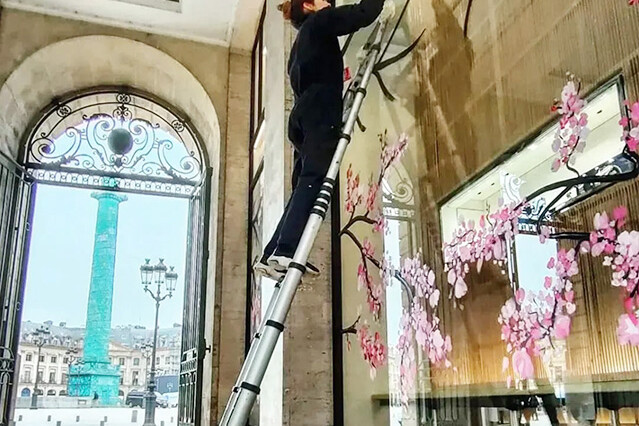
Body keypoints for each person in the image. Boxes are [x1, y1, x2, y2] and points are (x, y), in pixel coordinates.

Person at [254, 0, 385, 280]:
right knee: (313, 179)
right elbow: (362, 14)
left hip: (301, 114)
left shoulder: (300, 43)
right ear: (311, 5)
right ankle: (286, 250)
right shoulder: (320, 22)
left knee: (305, 184)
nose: (330, 2)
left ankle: (272, 253)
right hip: (320, 108)